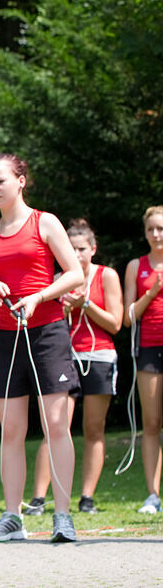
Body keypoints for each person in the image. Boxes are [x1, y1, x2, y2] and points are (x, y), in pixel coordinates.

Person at [0, 153, 84, 543]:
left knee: (56, 425)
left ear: (21, 180)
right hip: (8, 337)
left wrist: (39, 296)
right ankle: (12, 517)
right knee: (12, 431)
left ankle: (63, 516)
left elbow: (75, 273)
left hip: (49, 332)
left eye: (0, 181)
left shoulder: (45, 222)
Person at [24, 220, 122, 517]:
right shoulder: (58, 279)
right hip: (64, 356)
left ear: (92, 250)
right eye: (72, 249)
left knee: (94, 429)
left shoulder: (107, 276)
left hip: (99, 356)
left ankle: (87, 497)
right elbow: (45, 321)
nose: (77, 254)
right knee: (55, 426)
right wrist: (65, 306)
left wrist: (86, 304)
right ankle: (39, 498)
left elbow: (116, 324)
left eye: (82, 249)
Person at [123, 205, 163, 515]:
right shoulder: (137, 266)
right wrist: (152, 292)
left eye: (161, 229)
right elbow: (128, 316)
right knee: (151, 423)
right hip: (147, 349)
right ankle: (152, 494)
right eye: (151, 229)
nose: (156, 235)